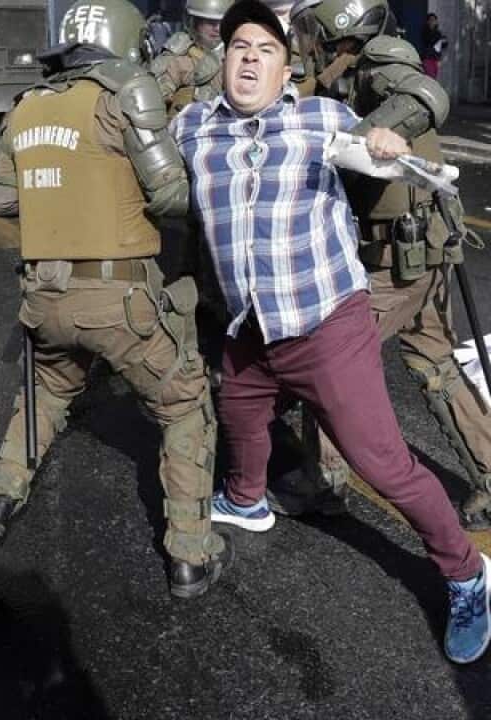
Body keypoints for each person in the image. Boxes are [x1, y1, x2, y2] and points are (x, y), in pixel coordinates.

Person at [174, 0, 490, 664]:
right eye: (238, 47)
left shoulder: (322, 120)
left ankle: (466, 574)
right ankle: (247, 499)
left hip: (326, 324)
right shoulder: (193, 127)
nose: (249, 57)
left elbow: (378, 150)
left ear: (288, 67)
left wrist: (386, 141)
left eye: (265, 48)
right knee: (240, 409)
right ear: (222, 62)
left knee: (384, 464)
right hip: (251, 325)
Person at [0, 0, 230, 599]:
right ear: (126, 41)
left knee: (47, 392)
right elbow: (169, 196)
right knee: (184, 405)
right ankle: (190, 554)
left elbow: (1, 199)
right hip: (119, 299)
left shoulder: (31, 102)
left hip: (44, 294)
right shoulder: (126, 89)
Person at [282, 0, 491, 528]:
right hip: (407, 252)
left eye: (310, 31)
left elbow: (425, 94)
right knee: (434, 366)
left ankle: (323, 479)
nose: (304, 42)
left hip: (400, 260)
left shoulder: (379, 62)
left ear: (337, 30)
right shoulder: (341, 78)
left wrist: (357, 141)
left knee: (329, 359)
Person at [149, 0, 236, 113]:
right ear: (194, 22)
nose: (218, 29)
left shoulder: (241, 54)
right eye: (210, 22)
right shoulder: (181, 58)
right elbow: (155, 96)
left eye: (223, 22)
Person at [421, 13, 446, 80]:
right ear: (428, 21)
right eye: (431, 20)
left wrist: (444, 41)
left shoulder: (438, 33)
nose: (432, 22)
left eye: (434, 20)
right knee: (430, 78)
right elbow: (429, 41)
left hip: (436, 58)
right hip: (428, 58)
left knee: (434, 77)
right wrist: (439, 39)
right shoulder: (425, 32)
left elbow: (443, 45)